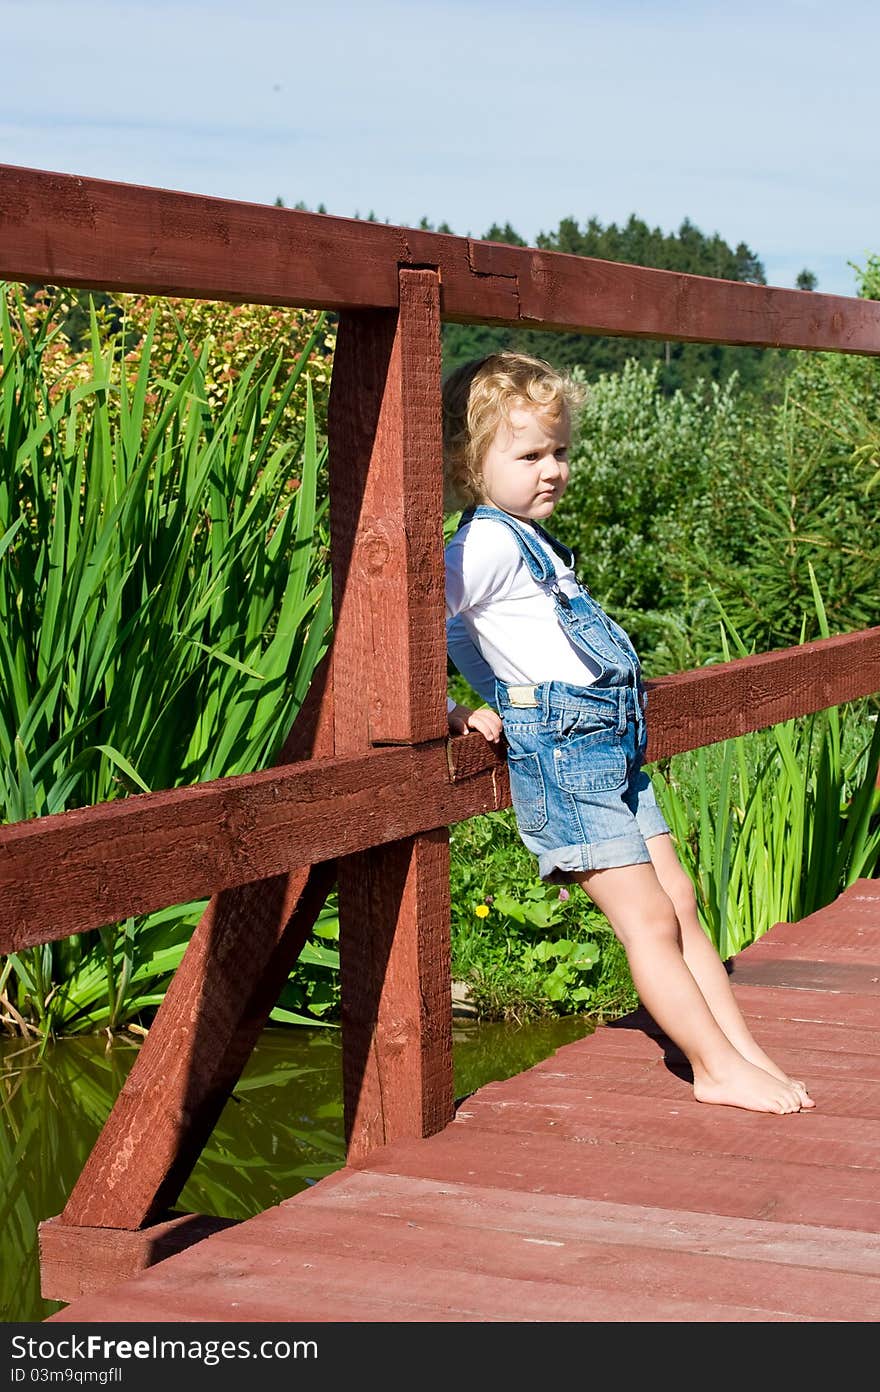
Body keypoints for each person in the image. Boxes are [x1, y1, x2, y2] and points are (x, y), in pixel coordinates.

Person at [443, 350, 813, 1115]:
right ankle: (712, 1068)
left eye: (561, 452)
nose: (553, 469)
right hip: (565, 751)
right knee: (644, 918)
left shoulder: (529, 539)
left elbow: (468, 634)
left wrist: (490, 686)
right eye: (531, 455)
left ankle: (742, 1051)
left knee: (679, 900)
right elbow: (424, 626)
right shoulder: (479, 545)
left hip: (608, 740)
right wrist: (455, 710)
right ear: (468, 462)